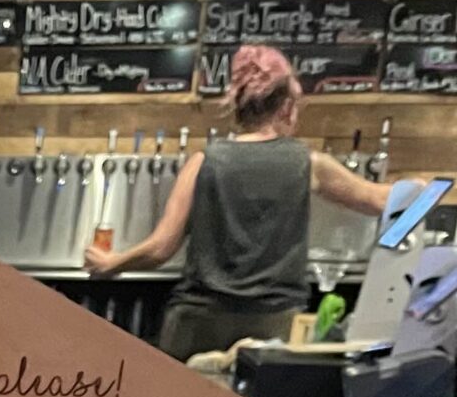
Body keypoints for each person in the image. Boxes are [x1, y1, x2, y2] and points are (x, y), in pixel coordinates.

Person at [84, 45, 388, 360]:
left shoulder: (203, 162)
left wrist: (112, 263)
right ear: (287, 107)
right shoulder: (308, 163)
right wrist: (417, 188)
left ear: (238, 107)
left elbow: (160, 248)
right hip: (274, 326)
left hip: (198, 323)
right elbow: (378, 199)